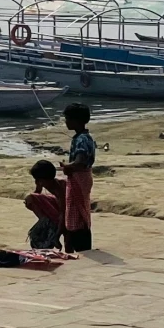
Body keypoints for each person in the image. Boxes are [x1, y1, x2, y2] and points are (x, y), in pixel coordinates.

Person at [61, 104, 96, 255]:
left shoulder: (81, 139)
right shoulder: (86, 137)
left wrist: (68, 166)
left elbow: (80, 161)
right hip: (84, 177)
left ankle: (80, 246)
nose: (66, 122)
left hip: (79, 177)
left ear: (77, 120)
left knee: (76, 211)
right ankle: (81, 244)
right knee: (81, 209)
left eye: (68, 119)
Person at [24, 160, 65, 250]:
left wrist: (57, 235)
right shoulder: (45, 183)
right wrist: (38, 188)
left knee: (67, 235)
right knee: (30, 199)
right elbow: (36, 195)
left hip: (66, 213)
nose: (38, 182)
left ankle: (51, 225)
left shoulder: (60, 189)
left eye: (39, 180)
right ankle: (45, 221)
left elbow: (64, 212)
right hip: (57, 211)